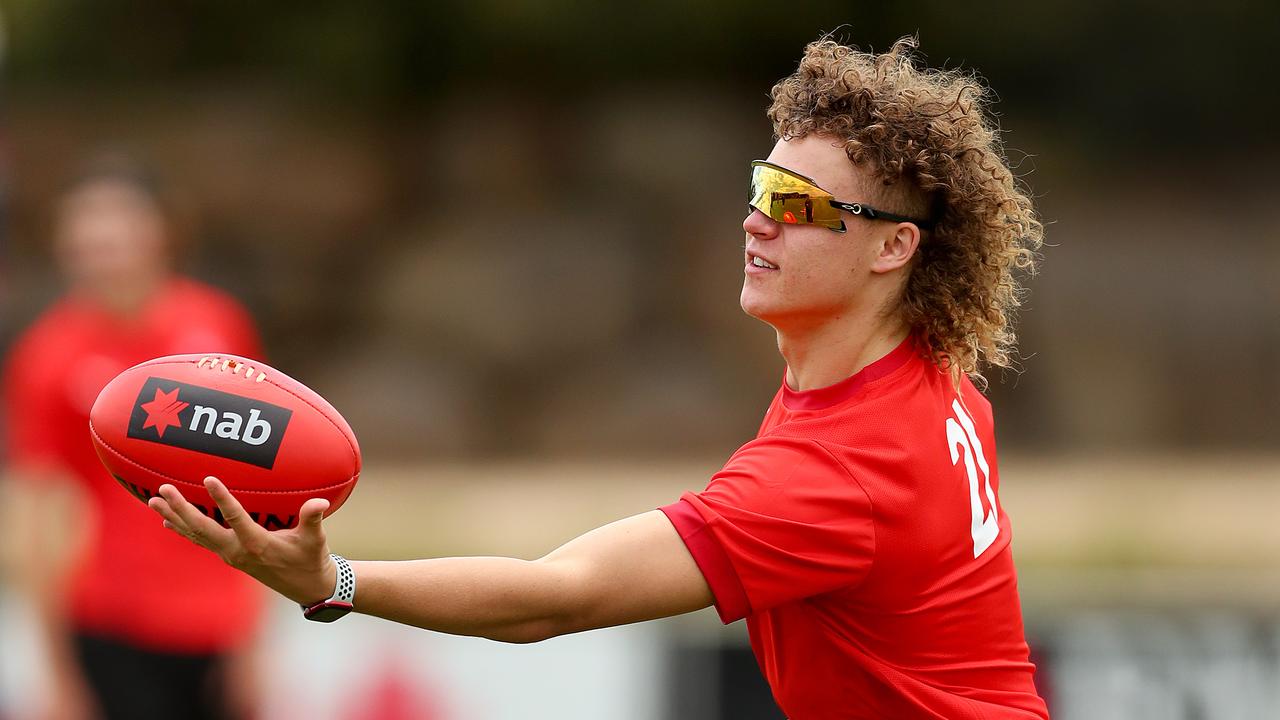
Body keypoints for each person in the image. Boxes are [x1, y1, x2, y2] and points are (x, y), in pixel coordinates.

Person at [149, 36, 1049, 719]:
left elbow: (556, 598)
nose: (757, 222)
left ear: (896, 248)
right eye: (760, 187)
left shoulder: (837, 474)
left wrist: (333, 580)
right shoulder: (928, 374)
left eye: (800, 207)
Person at [2, 154, 266, 720]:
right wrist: (56, 671)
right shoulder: (48, 356)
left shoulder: (217, 327)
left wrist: (256, 640)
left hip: (215, 621)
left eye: (118, 219)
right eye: (84, 222)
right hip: (111, 621)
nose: (102, 237)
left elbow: (261, 487)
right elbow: (36, 517)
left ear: (162, 230)